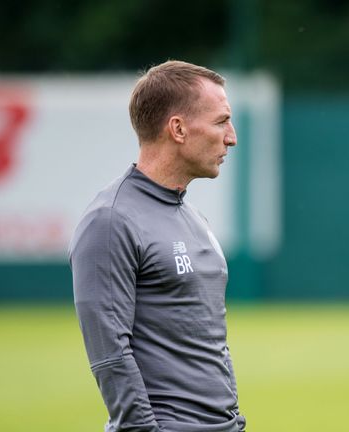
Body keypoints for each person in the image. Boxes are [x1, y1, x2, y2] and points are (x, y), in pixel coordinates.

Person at [69, 60, 245, 432]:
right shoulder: (110, 219)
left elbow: (211, 339)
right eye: (220, 121)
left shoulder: (194, 217)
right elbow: (109, 353)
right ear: (178, 129)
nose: (231, 136)